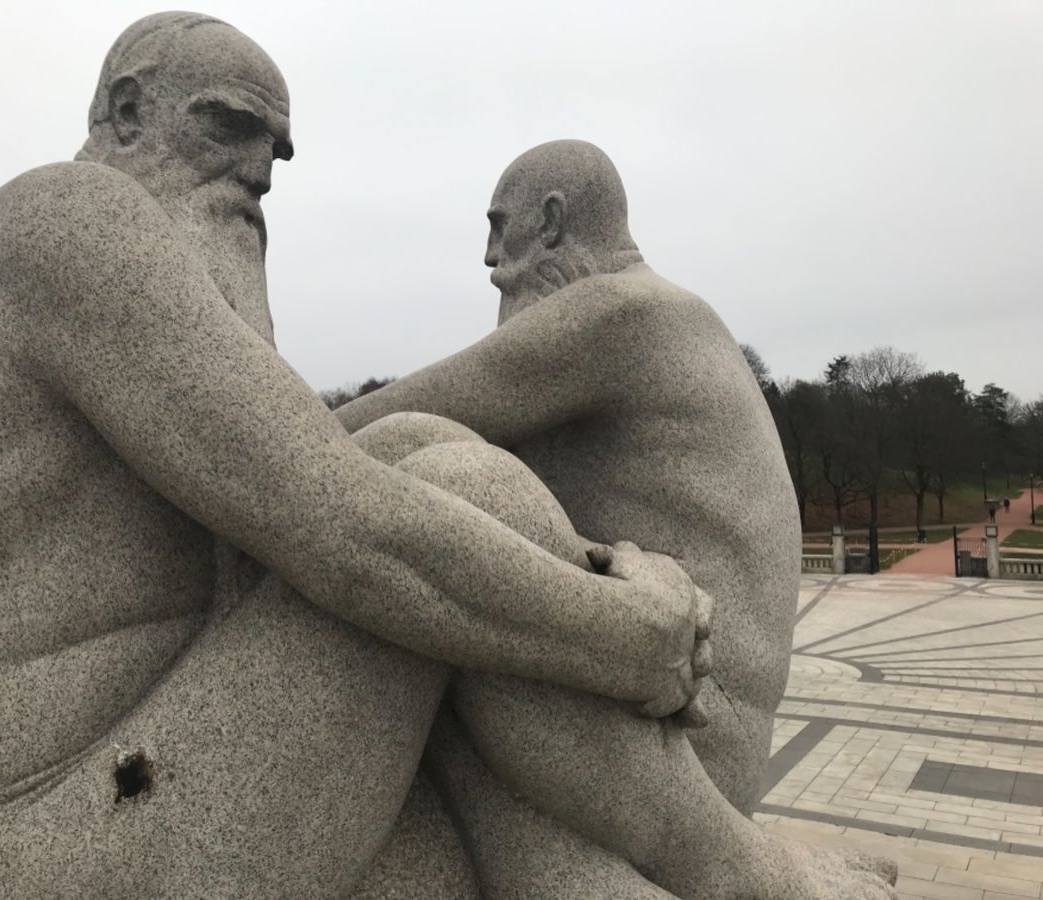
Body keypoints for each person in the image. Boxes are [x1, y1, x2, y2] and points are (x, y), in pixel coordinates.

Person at [0, 16, 706, 898]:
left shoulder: (66, 257)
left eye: (276, 155)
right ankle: (739, 868)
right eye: (226, 127)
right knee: (459, 485)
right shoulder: (66, 219)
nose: (258, 173)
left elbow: (302, 492)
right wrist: (635, 639)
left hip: (99, 788)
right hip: (48, 846)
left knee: (414, 457)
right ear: (129, 111)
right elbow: (350, 537)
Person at [338, 140, 897, 897]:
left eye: (500, 229)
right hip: (671, 723)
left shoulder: (620, 316)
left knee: (424, 538)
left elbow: (376, 427)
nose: (488, 258)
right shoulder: (662, 317)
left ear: (555, 223)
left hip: (681, 747)